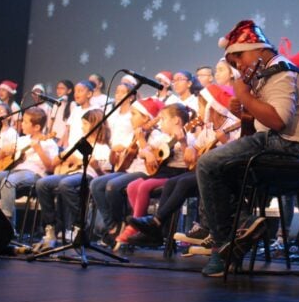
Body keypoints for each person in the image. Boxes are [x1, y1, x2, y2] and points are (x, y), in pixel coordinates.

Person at [196, 20, 299, 277]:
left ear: (258, 48)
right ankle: (239, 229)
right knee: (220, 168)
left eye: (239, 58)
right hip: (284, 144)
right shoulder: (268, 75)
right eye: (233, 64)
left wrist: (244, 96)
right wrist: (245, 115)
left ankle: (227, 241)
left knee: (208, 164)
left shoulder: (280, 72)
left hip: (293, 149)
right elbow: (258, 130)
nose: (238, 66)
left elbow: (277, 120)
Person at [127, 85, 241, 248]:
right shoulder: (208, 129)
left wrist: (223, 142)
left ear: (212, 107)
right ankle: (157, 229)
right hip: (203, 173)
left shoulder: (232, 126)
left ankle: (156, 224)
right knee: (172, 183)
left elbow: (236, 154)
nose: (199, 110)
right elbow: (192, 160)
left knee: (181, 182)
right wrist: (188, 147)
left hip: (221, 176)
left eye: (201, 106)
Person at [115, 102, 195, 247]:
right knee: (133, 186)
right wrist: (147, 153)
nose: (160, 123)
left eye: (163, 119)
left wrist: (183, 143)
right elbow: (143, 151)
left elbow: (189, 162)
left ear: (176, 120)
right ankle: (142, 224)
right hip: (162, 172)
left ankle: (134, 227)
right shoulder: (163, 139)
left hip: (176, 174)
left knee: (145, 185)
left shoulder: (189, 137)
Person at [36, 108, 112, 249]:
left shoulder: (104, 148)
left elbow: (105, 178)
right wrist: (66, 156)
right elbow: (54, 163)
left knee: (65, 184)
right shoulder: (79, 142)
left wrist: (96, 167)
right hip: (70, 174)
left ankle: (80, 224)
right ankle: (51, 227)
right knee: (42, 183)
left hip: (89, 176)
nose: (82, 127)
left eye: (85, 123)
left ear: (95, 124)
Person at [89, 84, 151, 246]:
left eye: (135, 114)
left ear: (146, 118)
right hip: (127, 169)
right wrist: (118, 152)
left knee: (111, 186)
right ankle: (113, 226)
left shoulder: (152, 133)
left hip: (142, 171)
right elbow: (125, 155)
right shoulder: (133, 132)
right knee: (96, 184)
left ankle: (121, 221)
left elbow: (150, 157)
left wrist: (141, 141)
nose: (131, 117)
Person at [0, 107, 56, 223]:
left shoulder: (48, 142)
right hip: (15, 172)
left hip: (35, 174)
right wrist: (4, 150)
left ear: (37, 127)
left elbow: (50, 167)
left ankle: (7, 223)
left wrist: (38, 149)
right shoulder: (22, 140)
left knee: (7, 181)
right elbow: (1, 159)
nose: (21, 124)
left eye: (25, 122)